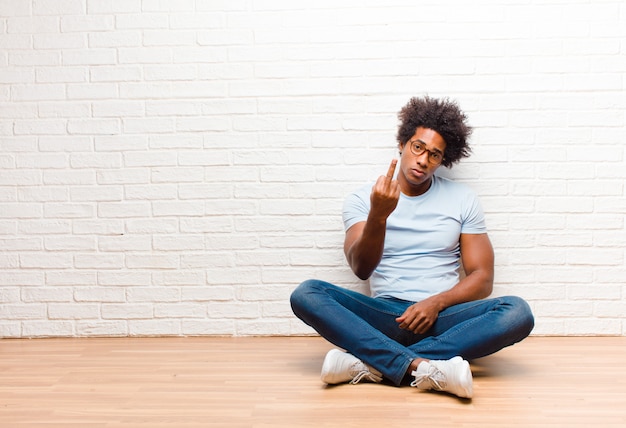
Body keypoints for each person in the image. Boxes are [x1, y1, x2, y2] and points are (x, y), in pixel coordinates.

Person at [290, 95, 534, 399]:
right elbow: (361, 269)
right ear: (403, 144)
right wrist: (378, 214)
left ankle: (373, 361)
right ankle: (422, 367)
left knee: (517, 312)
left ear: (443, 160)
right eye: (418, 147)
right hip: (384, 315)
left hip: (441, 318)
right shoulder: (363, 198)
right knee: (307, 293)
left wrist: (436, 303)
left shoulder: (462, 199)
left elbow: (482, 278)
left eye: (434, 154)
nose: (423, 159)